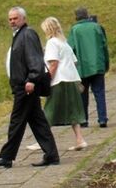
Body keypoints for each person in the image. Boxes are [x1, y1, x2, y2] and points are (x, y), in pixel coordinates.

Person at [0, 7, 59, 168]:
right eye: (10, 19)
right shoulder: (20, 35)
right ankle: (52, 155)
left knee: (16, 121)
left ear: (23, 19)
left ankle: (6, 157)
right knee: (38, 122)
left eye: (15, 18)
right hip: (23, 85)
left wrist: (32, 79)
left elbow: (35, 59)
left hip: (26, 87)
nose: (12, 21)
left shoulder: (27, 34)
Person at [33, 18, 86, 151]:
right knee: (73, 110)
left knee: (49, 110)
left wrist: (47, 79)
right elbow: (74, 62)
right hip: (71, 80)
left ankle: (42, 140)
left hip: (59, 80)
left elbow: (53, 63)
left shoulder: (52, 43)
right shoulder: (65, 43)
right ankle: (80, 139)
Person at [67, 7, 110, 128]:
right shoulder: (97, 27)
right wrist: (106, 64)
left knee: (82, 94)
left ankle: (84, 119)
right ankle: (102, 119)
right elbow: (104, 46)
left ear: (76, 17)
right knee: (99, 93)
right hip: (97, 66)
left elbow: (70, 49)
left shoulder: (74, 30)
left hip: (82, 68)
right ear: (87, 15)